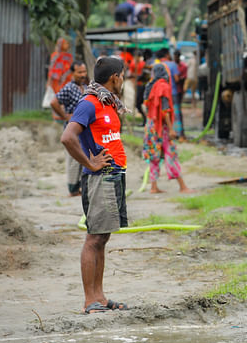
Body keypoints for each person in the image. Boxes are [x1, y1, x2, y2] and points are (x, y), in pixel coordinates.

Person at [60, 57, 131, 314]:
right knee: (93, 238)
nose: (123, 80)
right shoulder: (89, 103)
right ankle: (89, 300)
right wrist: (90, 164)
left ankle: (99, 297)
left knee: (103, 237)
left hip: (113, 176)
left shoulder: (106, 102)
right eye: (122, 75)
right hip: (99, 178)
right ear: (114, 77)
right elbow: (68, 137)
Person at [142, 64, 193, 194]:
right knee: (171, 154)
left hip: (150, 126)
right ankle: (183, 186)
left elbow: (146, 107)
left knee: (154, 157)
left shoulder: (149, 86)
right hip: (162, 127)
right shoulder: (163, 86)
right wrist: (171, 129)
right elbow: (165, 111)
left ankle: (153, 187)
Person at [51, 61, 88, 196]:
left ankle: (80, 186)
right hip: (72, 129)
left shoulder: (84, 87)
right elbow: (54, 102)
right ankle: (72, 188)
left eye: (84, 72)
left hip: (83, 129)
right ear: (73, 73)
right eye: (79, 72)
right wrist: (65, 116)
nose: (83, 75)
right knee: (73, 158)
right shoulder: (69, 87)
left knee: (82, 156)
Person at [154, 49, 184, 138]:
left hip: (159, 92)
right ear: (167, 55)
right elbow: (177, 79)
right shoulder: (172, 64)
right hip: (172, 92)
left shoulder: (156, 65)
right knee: (175, 113)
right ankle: (177, 133)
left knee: (162, 112)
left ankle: (164, 132)